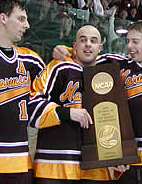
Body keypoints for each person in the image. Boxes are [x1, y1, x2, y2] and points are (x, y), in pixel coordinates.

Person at [53, 21, 142, 184]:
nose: (129, 46)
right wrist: (68, 51)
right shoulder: (117, 64)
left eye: (135, 41)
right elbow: (88, 55)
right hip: (135, 161)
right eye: (127, 41)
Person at [28, 25, 130, 184]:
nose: (88, 44)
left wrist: (119, 155)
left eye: (93, 41)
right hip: (55, 166)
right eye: (83, 40)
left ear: (100, 47)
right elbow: (31, 106)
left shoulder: (108, 72)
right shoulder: (58, 67)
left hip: (95, 169)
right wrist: (67, 113)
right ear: (74, 46)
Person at [0, 0, 47, 184]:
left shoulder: (30, 59)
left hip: (18, 160)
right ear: (3, 18)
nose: (27, 25)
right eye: (21, 19)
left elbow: (59, 80)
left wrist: (64, 52)